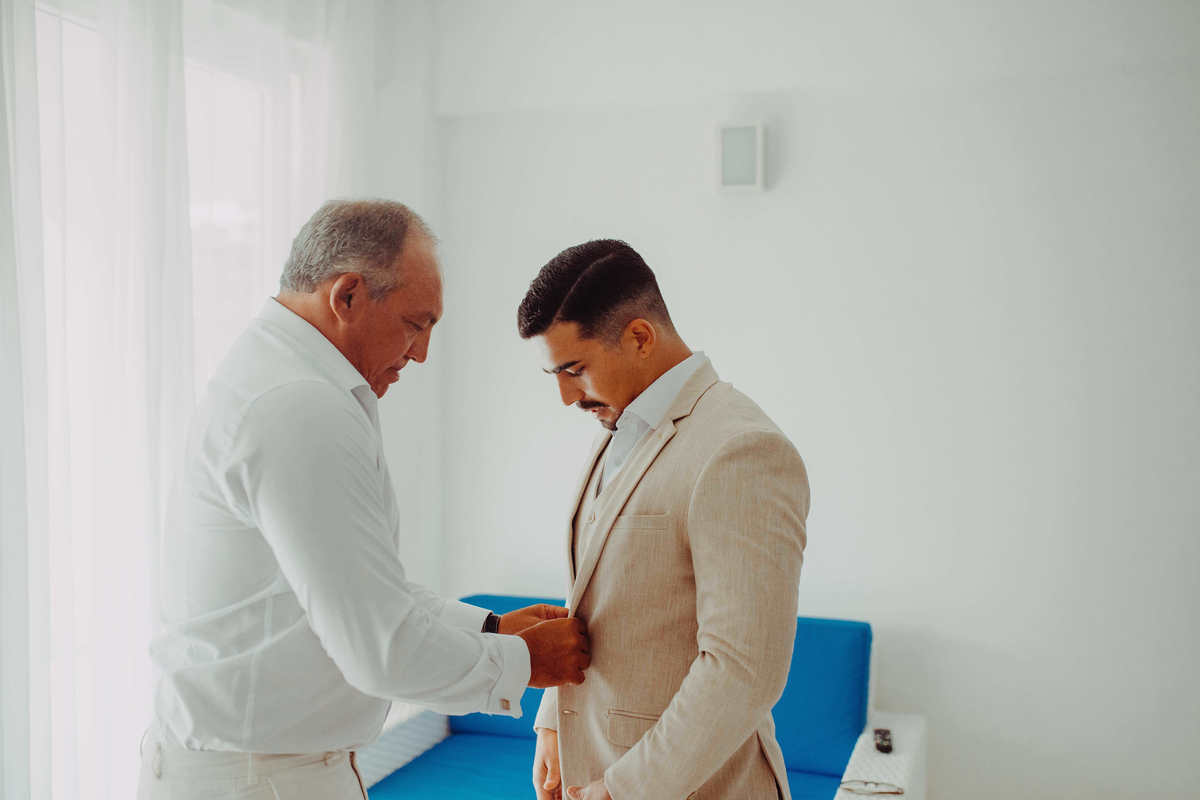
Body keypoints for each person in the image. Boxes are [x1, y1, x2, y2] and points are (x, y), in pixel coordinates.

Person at [140, 199, 590, 800]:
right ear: (347, 296)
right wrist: (523, 663)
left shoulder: (291, 383)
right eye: (416, 323)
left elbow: (368, 590)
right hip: (259, 779)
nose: (423, 352)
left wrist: (490, 627)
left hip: (263, 768)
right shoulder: (299, 406)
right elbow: (379, 649)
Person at [518, 239, 809, 800]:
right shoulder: (619, 427)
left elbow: (743, 671)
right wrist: (555, 719)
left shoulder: (742, 448)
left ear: (640, 337)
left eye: (574, 369)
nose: (564, 396)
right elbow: (599, 601)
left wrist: (623, 790)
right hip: (594, 767)